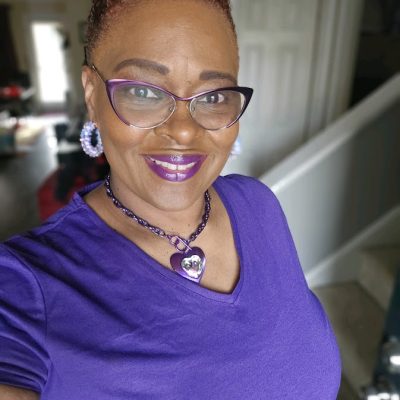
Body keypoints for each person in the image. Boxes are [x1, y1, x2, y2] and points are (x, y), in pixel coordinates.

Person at [0, 0, 341, 399]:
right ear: (92, 95)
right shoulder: (25, 283)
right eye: (144, 91)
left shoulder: (257, 204)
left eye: (213, 96)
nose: (182, 131)